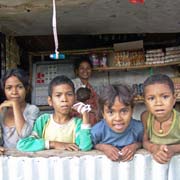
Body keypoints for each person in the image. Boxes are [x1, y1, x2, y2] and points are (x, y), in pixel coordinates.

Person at [17, 75, 92, 152]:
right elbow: (23, 144)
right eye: (58, 95)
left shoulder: (77, 124)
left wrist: (85, 116)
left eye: (69, 94)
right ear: (50, 101)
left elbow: (85, 147)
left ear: (75, 98)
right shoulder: (43, 121)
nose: (64, 99)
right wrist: (54, 144)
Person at [91, 84, 143, 161]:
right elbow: (89, 146)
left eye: (124, 111)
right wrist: (102, 147)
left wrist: (135, 146)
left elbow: (144, 142)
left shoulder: (139, 128)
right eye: (111, 112)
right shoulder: (98, 130)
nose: (118, 118)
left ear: (132, 111)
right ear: (103, 114)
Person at [141, 74, 180, 164]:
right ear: (145, 102)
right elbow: (145, 141)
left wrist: (172, 149)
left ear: (174, 98)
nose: (158, 103)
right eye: (151, 98)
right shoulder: (146, 117)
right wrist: (154, 148)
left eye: (165, 97)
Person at [0, 68, 40, 152]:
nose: (14, 92)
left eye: (19, 87)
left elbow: (24, 134)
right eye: (9, 88)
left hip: (25, 158)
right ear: (4, 90)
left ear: (27, 89)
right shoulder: (3, 110)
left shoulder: (32, 110)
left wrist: (15, 105)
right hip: (5, 158)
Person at [72, 57, 98, 126]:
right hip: (77, 121)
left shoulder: (90, 87)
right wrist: (94, 111)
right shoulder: (72, 84)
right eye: (82, 68)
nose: (85, 71)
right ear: (77, 71)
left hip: (90, 121)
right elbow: (72, 103)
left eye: (88, 68)